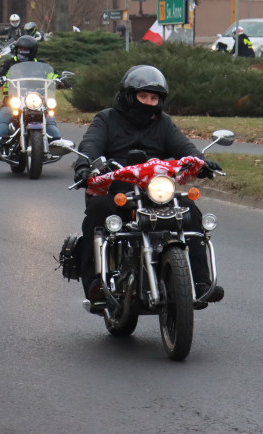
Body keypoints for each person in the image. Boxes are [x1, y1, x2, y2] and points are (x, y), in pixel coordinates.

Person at [72, 65, 224, 303]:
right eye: (143, 96)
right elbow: (90, 144)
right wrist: (85, 165)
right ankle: (95, 283)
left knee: (191, 213)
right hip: (116, 188)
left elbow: (185, 148)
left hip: (156, 191)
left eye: (154, 98)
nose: (148, 102)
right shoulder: (107, 119)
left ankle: (200, 281)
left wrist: (201, 162)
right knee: (98, 211)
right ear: (129, 96)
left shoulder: (163, 123)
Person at [0, 35, 61, 147]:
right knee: (3, 119)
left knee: (50, 120)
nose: (22, 52)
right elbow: (0, 72)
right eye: (20, 49)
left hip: (37, 102)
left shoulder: (41, 65)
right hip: (12, 100)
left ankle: (57, 143)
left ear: (32, 51)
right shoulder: (9, 64)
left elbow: (52, 74)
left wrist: (59, 79)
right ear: (16, 50)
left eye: (25, 50)